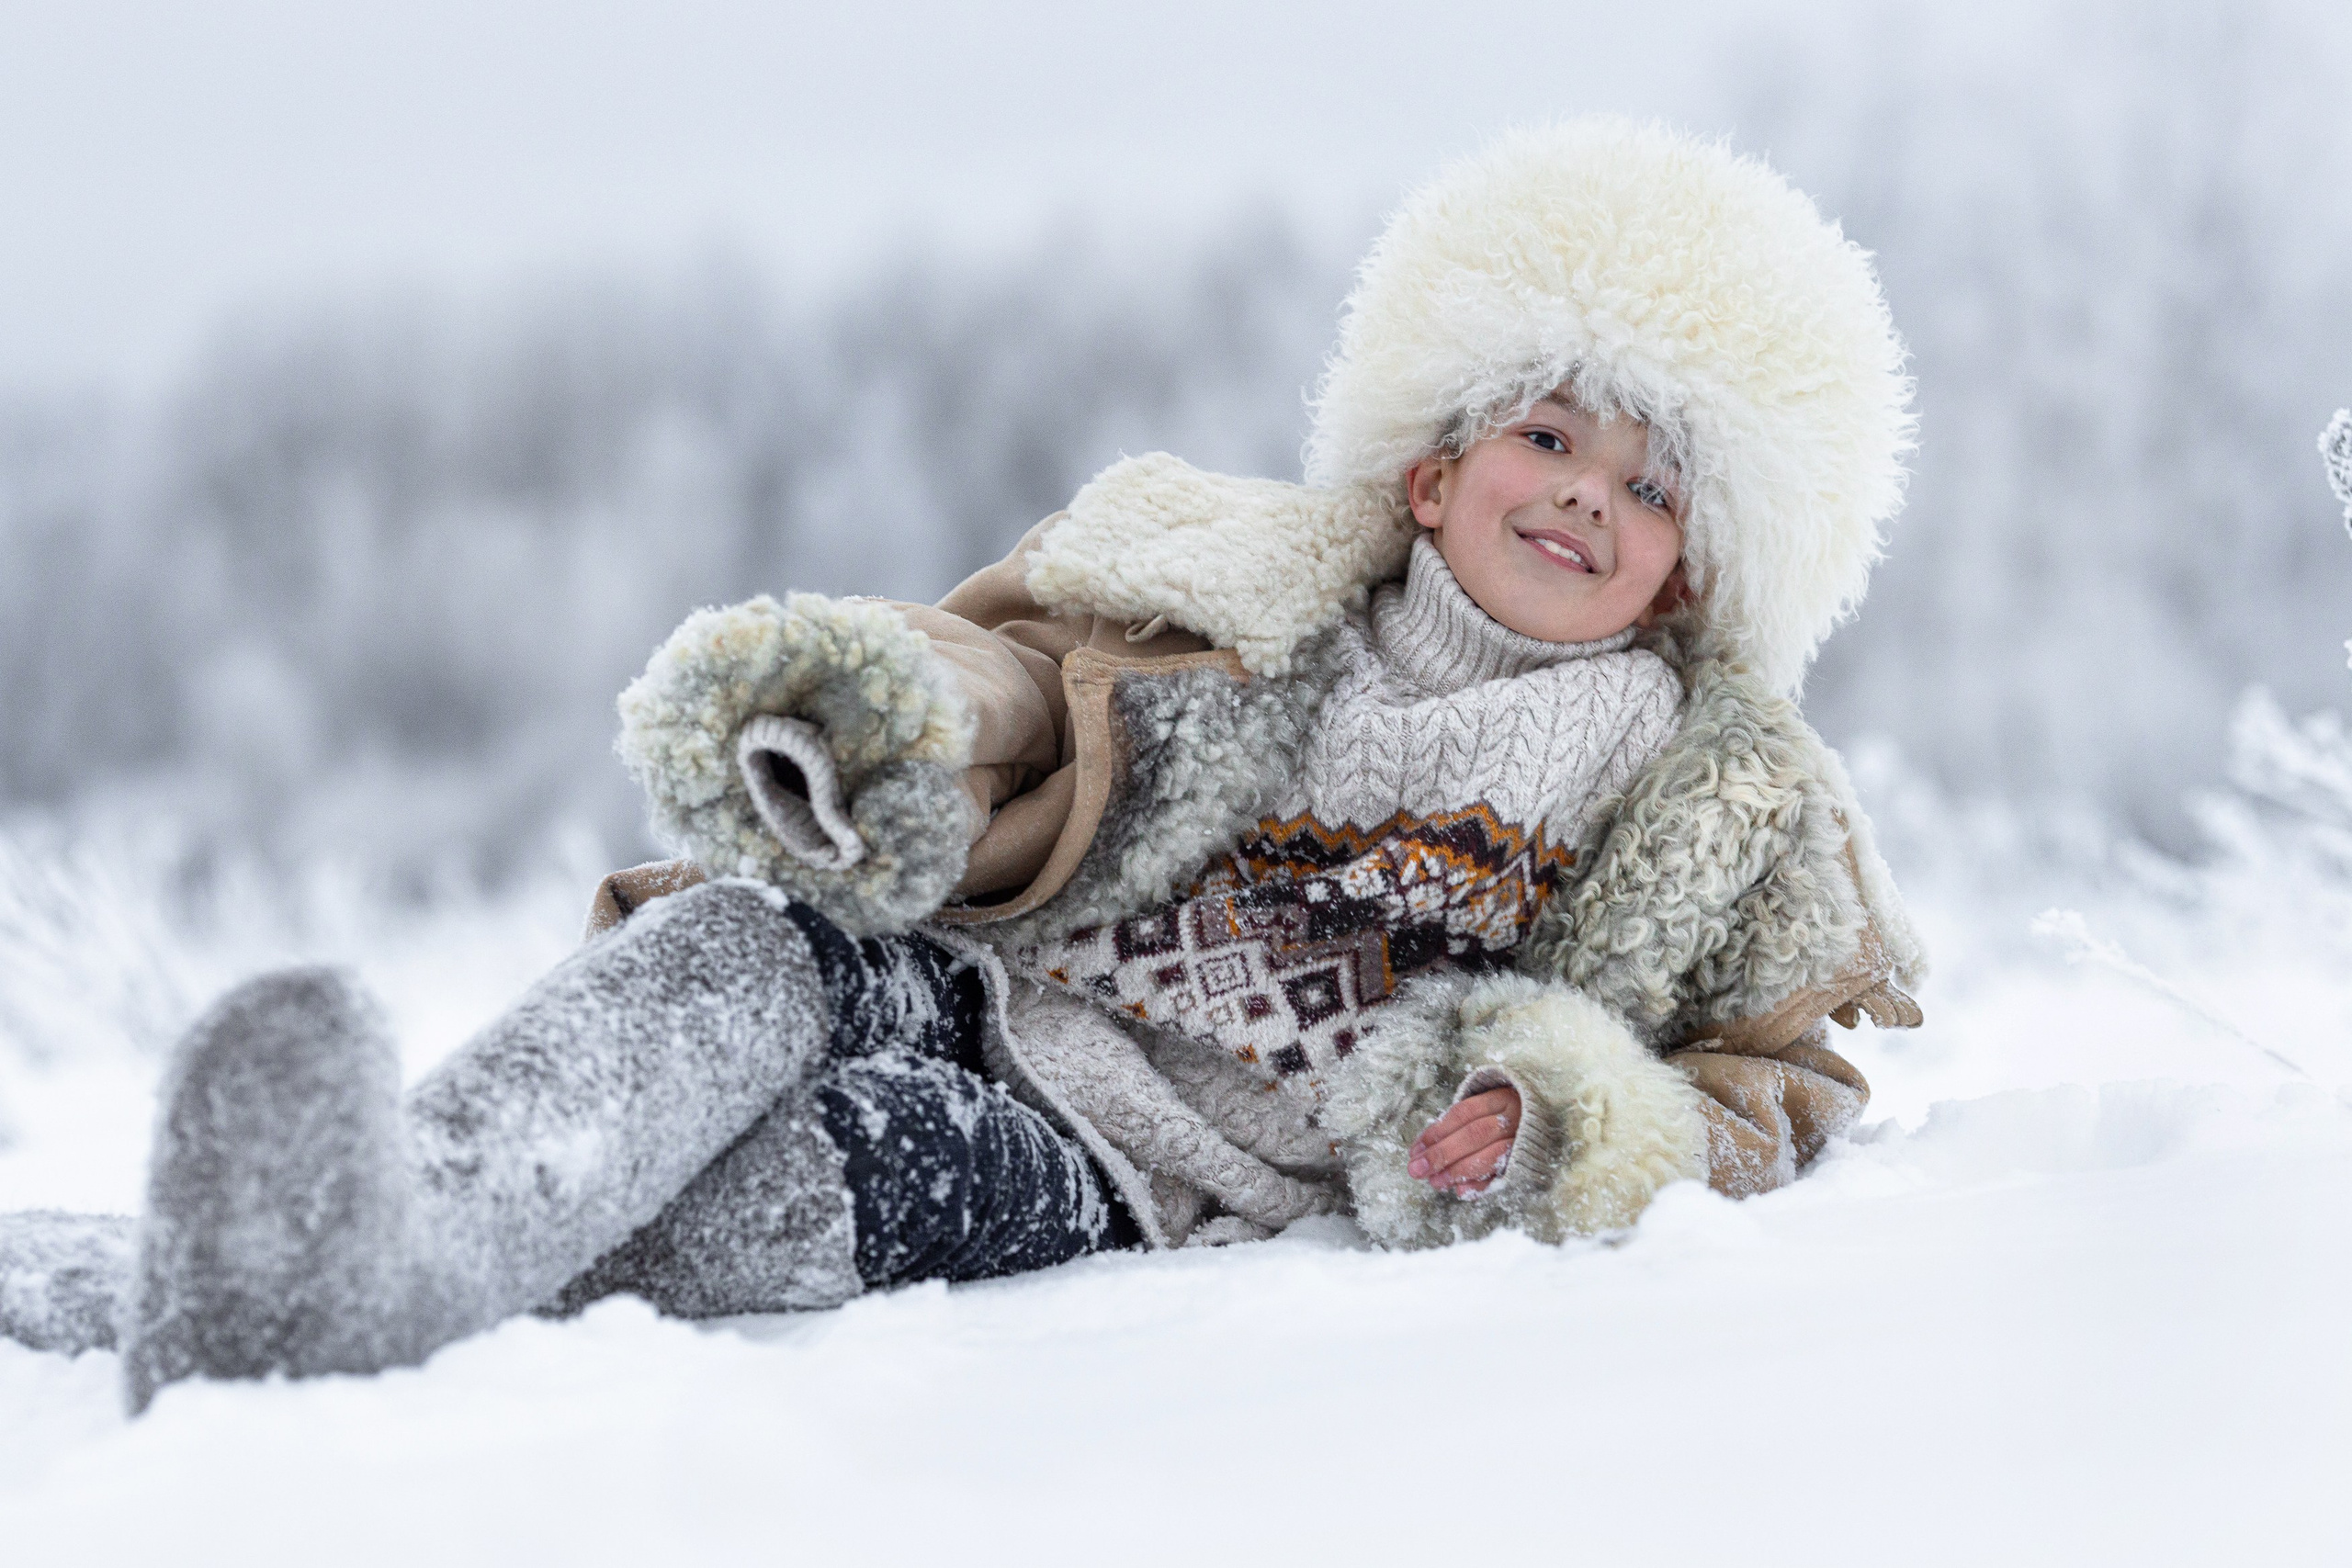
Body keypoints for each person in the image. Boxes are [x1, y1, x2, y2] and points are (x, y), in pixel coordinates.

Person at [0, 118, 1925, 1413]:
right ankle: (407, 1210)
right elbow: (1016, 680)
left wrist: (1569, 1116)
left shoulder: (1710, 791)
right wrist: (883, 715)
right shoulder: (1242, 585)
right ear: (1431, 467)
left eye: (1651, 484)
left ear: (1702, 563)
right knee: (743, 951)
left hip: (1140, 1162)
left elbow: (1774, 1070)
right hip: (1004, 965)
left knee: (821, 1177)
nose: (1589, 495)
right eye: (1547, 438)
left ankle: (296, 1301)